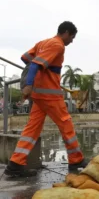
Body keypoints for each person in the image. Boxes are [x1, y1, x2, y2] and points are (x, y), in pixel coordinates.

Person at [5, 21, 87, 177]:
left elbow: (25, 58)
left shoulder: (43, 43)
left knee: (32, 128)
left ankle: (15, 164)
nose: (72, 41)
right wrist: (28, 83)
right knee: (65, 122)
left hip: (39, 95)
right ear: (66, 33)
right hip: (49, 94)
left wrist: (43, 70)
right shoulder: (58, 45)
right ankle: (76, 159)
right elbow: (35, 65)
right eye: (72, 37)